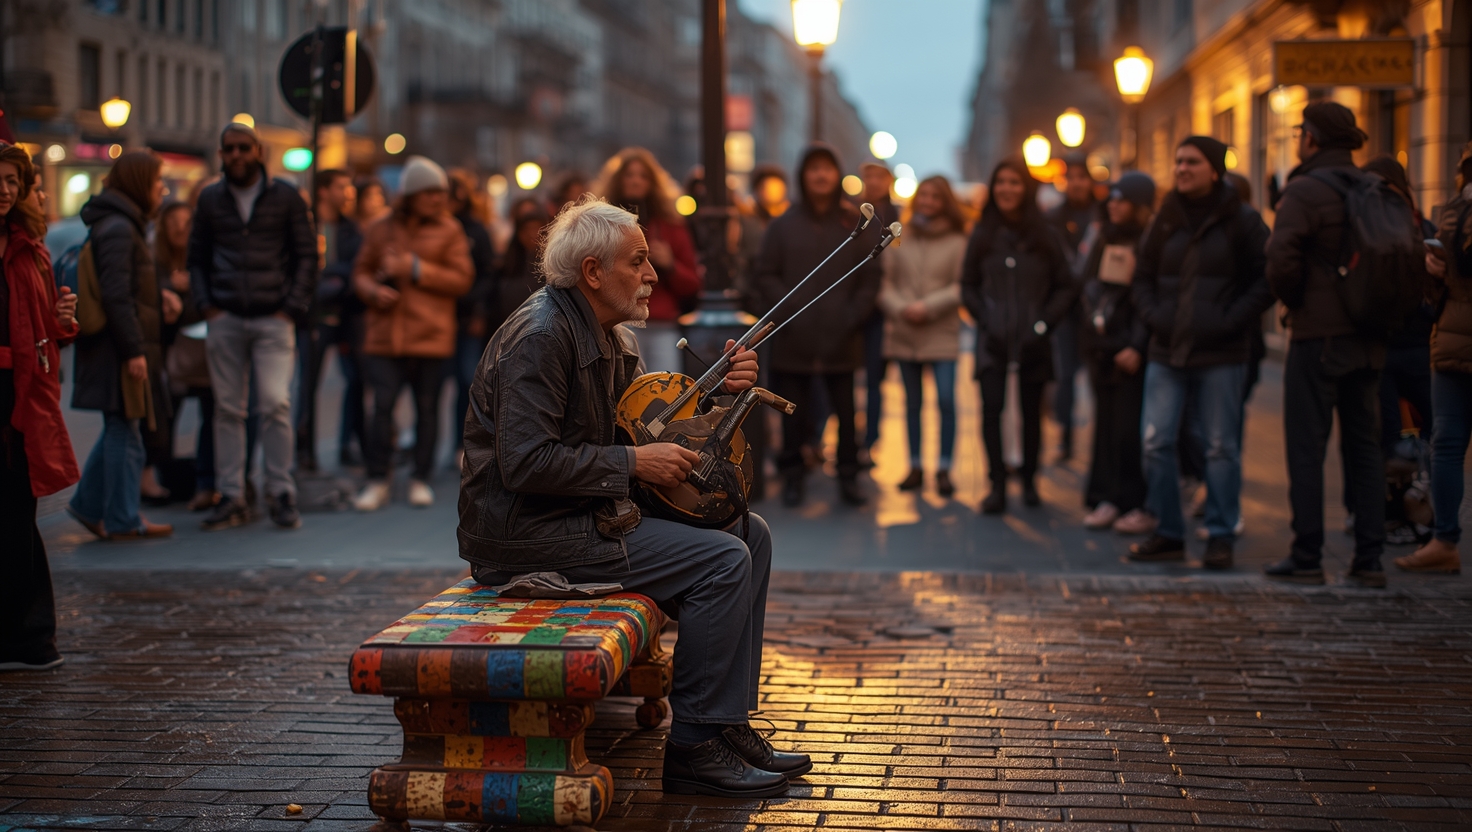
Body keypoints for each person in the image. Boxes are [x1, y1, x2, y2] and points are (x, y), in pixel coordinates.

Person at [458, 195, 807, 798]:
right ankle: (694, 746)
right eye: (638, 261)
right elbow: (523, 465)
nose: (653, 274)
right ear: (593, 272)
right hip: (527, 534)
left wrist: (718, 396)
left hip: (582, 513)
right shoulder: (541, 336)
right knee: (723, 562)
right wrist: (632, 462)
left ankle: (726, 722)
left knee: (751, 534)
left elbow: (648, 429)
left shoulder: (610, 332)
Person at [1127, 136, 1271, 569]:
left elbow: (1267, 279)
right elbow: (1142, 276)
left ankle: (1220, 533)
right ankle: (1169, 530)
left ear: (1214, 169)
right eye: (1178, 161)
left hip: (1222, 353)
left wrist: (1228, 321)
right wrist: (1155, 317)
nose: (1181, 169)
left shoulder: (1243, 220)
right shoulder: (1165, 218)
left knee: (1221, 446)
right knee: (1156, 441)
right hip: (1166, 349)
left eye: (1191, 162)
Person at [1263, 102, 1389, 586]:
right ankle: (1370, 558)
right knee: (1364, 446)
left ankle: (1308, 554)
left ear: (1311, 138)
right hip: (1369, 335)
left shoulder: (1305, 189)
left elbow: (1280, 259)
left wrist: (1297, 303)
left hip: (1318, 337)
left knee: (1306, 447)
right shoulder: (1374, 187)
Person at [188, 122, 317, 531]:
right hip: (225, 316)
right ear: (222, 154)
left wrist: (291, 308)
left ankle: (281, 491)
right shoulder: (210, 199)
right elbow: (197, 258)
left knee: (275, 403)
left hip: (272, 318)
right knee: (227, 408)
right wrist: (208, 306)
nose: (238, 155)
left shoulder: (286, 197)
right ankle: (231, 494)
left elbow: (306, 256)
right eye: (230, 149)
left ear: (259, 151)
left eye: (245, 148)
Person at [754, 143, 884, 508]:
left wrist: (851, 315)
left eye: (828, 168)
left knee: (845, 411)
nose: (821, 175)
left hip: (841, 336)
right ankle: (793, 474)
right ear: (803, 176)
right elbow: (765, 274)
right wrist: (790, 309)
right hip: (794, 336)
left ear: (837, 174)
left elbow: (870, 277)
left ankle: (847, 475)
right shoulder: (783, 225)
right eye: (814, 169)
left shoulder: (854, 223)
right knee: (792, 411)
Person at [351, 155, 473, 511]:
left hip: (430, 336)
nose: (438, 199)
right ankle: (378, 479)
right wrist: (372, 291)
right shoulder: (380, 228)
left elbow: (462, 279)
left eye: (441, 192)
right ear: (411, 194)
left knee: (427, 408)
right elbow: (360, 272)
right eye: (430, 192)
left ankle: (420, 477)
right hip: (384, 335)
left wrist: (415, 268)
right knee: (382, 406)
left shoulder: (450, 230)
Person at [0, 141, 79, 671]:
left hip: (19, 394)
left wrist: (62, 318)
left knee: (15, 508)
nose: (4, 191)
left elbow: (45, 330)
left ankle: (31, 635)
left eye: (11, 182)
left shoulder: (29, 247)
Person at [68, 150, 175, 540]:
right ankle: (123, 517)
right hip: (116, 349)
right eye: (157, 182)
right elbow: (116, 295)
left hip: (117, 346)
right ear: (139, 184)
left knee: (121, 426)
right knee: (126, 429)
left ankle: (89, 506)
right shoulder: (119, 228)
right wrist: (133, 351)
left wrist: (158, 295)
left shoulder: (120, 224)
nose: (162, 190)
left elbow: (125, 288)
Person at [961, 157, 1076, 514]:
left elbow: (1066, 286)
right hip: (993, 342)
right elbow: (968, 285)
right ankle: (997, 483)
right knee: (991, 410)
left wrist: (1042, 324)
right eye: (1001, 183)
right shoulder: (983, 235)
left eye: (1014, 182)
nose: (1007, 189)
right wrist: (985, 318)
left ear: (1025, 188)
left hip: (1033, 342)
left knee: (1031, 413)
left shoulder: (1045, 235)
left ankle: (1028, 481)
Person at [1396, 142, 1472, 575]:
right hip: (1449, 340)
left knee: (1444, 443)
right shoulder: (1453, 213)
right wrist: (1436, 268)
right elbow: (1434, 287)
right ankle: (1444, 539)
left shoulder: (1453, 211)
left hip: (1448, 339)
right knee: (1444, 443)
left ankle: (1445, 539)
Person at [878, 175, 966, 498]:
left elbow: (961, 285)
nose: (928, 201)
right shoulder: (899, 235)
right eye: (923, 195)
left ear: (945, 202)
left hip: (940, 330)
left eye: (935, 196)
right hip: (905, 331)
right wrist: (901, 308)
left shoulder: (958, 240)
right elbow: (885, 281)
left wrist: (928, 307)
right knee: (911, 403)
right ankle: (915, 465)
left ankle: (944, 467)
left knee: (945, 399)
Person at [1079, 172, 1155, 531]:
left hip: (1132, 348)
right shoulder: (1102, 237)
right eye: (1111, 199)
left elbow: (1150, 298)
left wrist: (1137, 344)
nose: (1114, 205)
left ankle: (1133, 501)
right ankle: (1105, 497)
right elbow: (1088, 284)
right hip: (1102, 346)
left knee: (1129, 429)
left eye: (1122, 200)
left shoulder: (1151, 241)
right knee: (1106, 427)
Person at [593, 148, 700, 373]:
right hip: (618, 321)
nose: (635, 182)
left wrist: (670, 265)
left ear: (652, 182)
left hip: (661, 323)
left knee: (665, 392)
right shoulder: (602, 225)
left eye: (642, 176)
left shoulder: (670, 225)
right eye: (629, 175)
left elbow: (692, 283)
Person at [296, 169, 363, 472]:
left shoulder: (351, 229)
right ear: (324, 191)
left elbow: (356, 267)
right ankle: (304, 448)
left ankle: (349, 443)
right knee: (308, 383)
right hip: (314, 316)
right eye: (342, 186)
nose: (349, 193)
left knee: (356, 379)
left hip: (346, 313)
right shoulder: (305, 225)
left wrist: (334, 276)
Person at [1045, 152, 1100, 462]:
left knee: (1095, 375)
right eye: (1073, 177)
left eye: (1083, 177)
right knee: (1065, 374)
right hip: (1066, 308)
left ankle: (1098, 440)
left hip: (1096, 307)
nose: (1078, 183)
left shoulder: (1101, 215)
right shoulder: (1053, 217)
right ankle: (1064, 437)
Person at [448, 168, 497, 466]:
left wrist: (478, 308)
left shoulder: (476, 230)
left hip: (467, 317)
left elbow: (487, 274)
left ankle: (462, 443)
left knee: (467, 382)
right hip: (439, 315)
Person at [859, 162, 899, 464]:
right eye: (868, 177)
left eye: (878, 177)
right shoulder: (855, 211)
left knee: (875, 381)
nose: (872, 182)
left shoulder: (897, 216)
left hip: (881, 310)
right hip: (852, 306)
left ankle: (869, 442)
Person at [489, 199, 550, 335]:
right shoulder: (507, 263)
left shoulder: (553, 266)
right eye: (527, 229)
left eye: (537, 229)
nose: (532, 235)